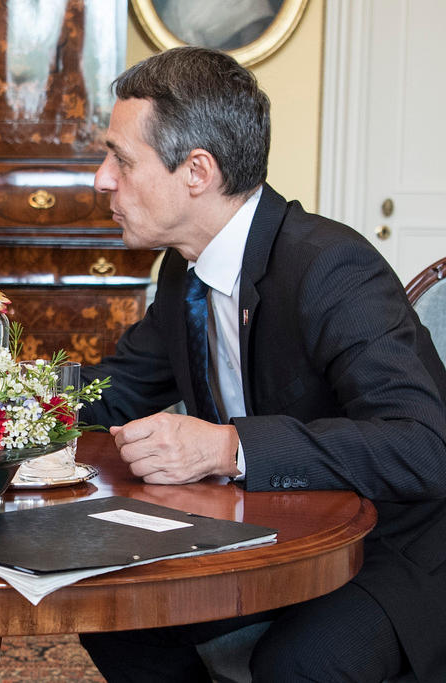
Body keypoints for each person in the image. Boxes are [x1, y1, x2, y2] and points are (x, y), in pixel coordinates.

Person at [78, 47, 446, 682]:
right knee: (114, 615)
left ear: (197, 171)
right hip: (271, 535)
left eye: (122, 158)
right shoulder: (182, 270)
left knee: (299, 664)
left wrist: (227, 448)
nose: (102, 179)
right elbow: (110, 395)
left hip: (389, 545)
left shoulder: (330, 266)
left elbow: (422, 446)